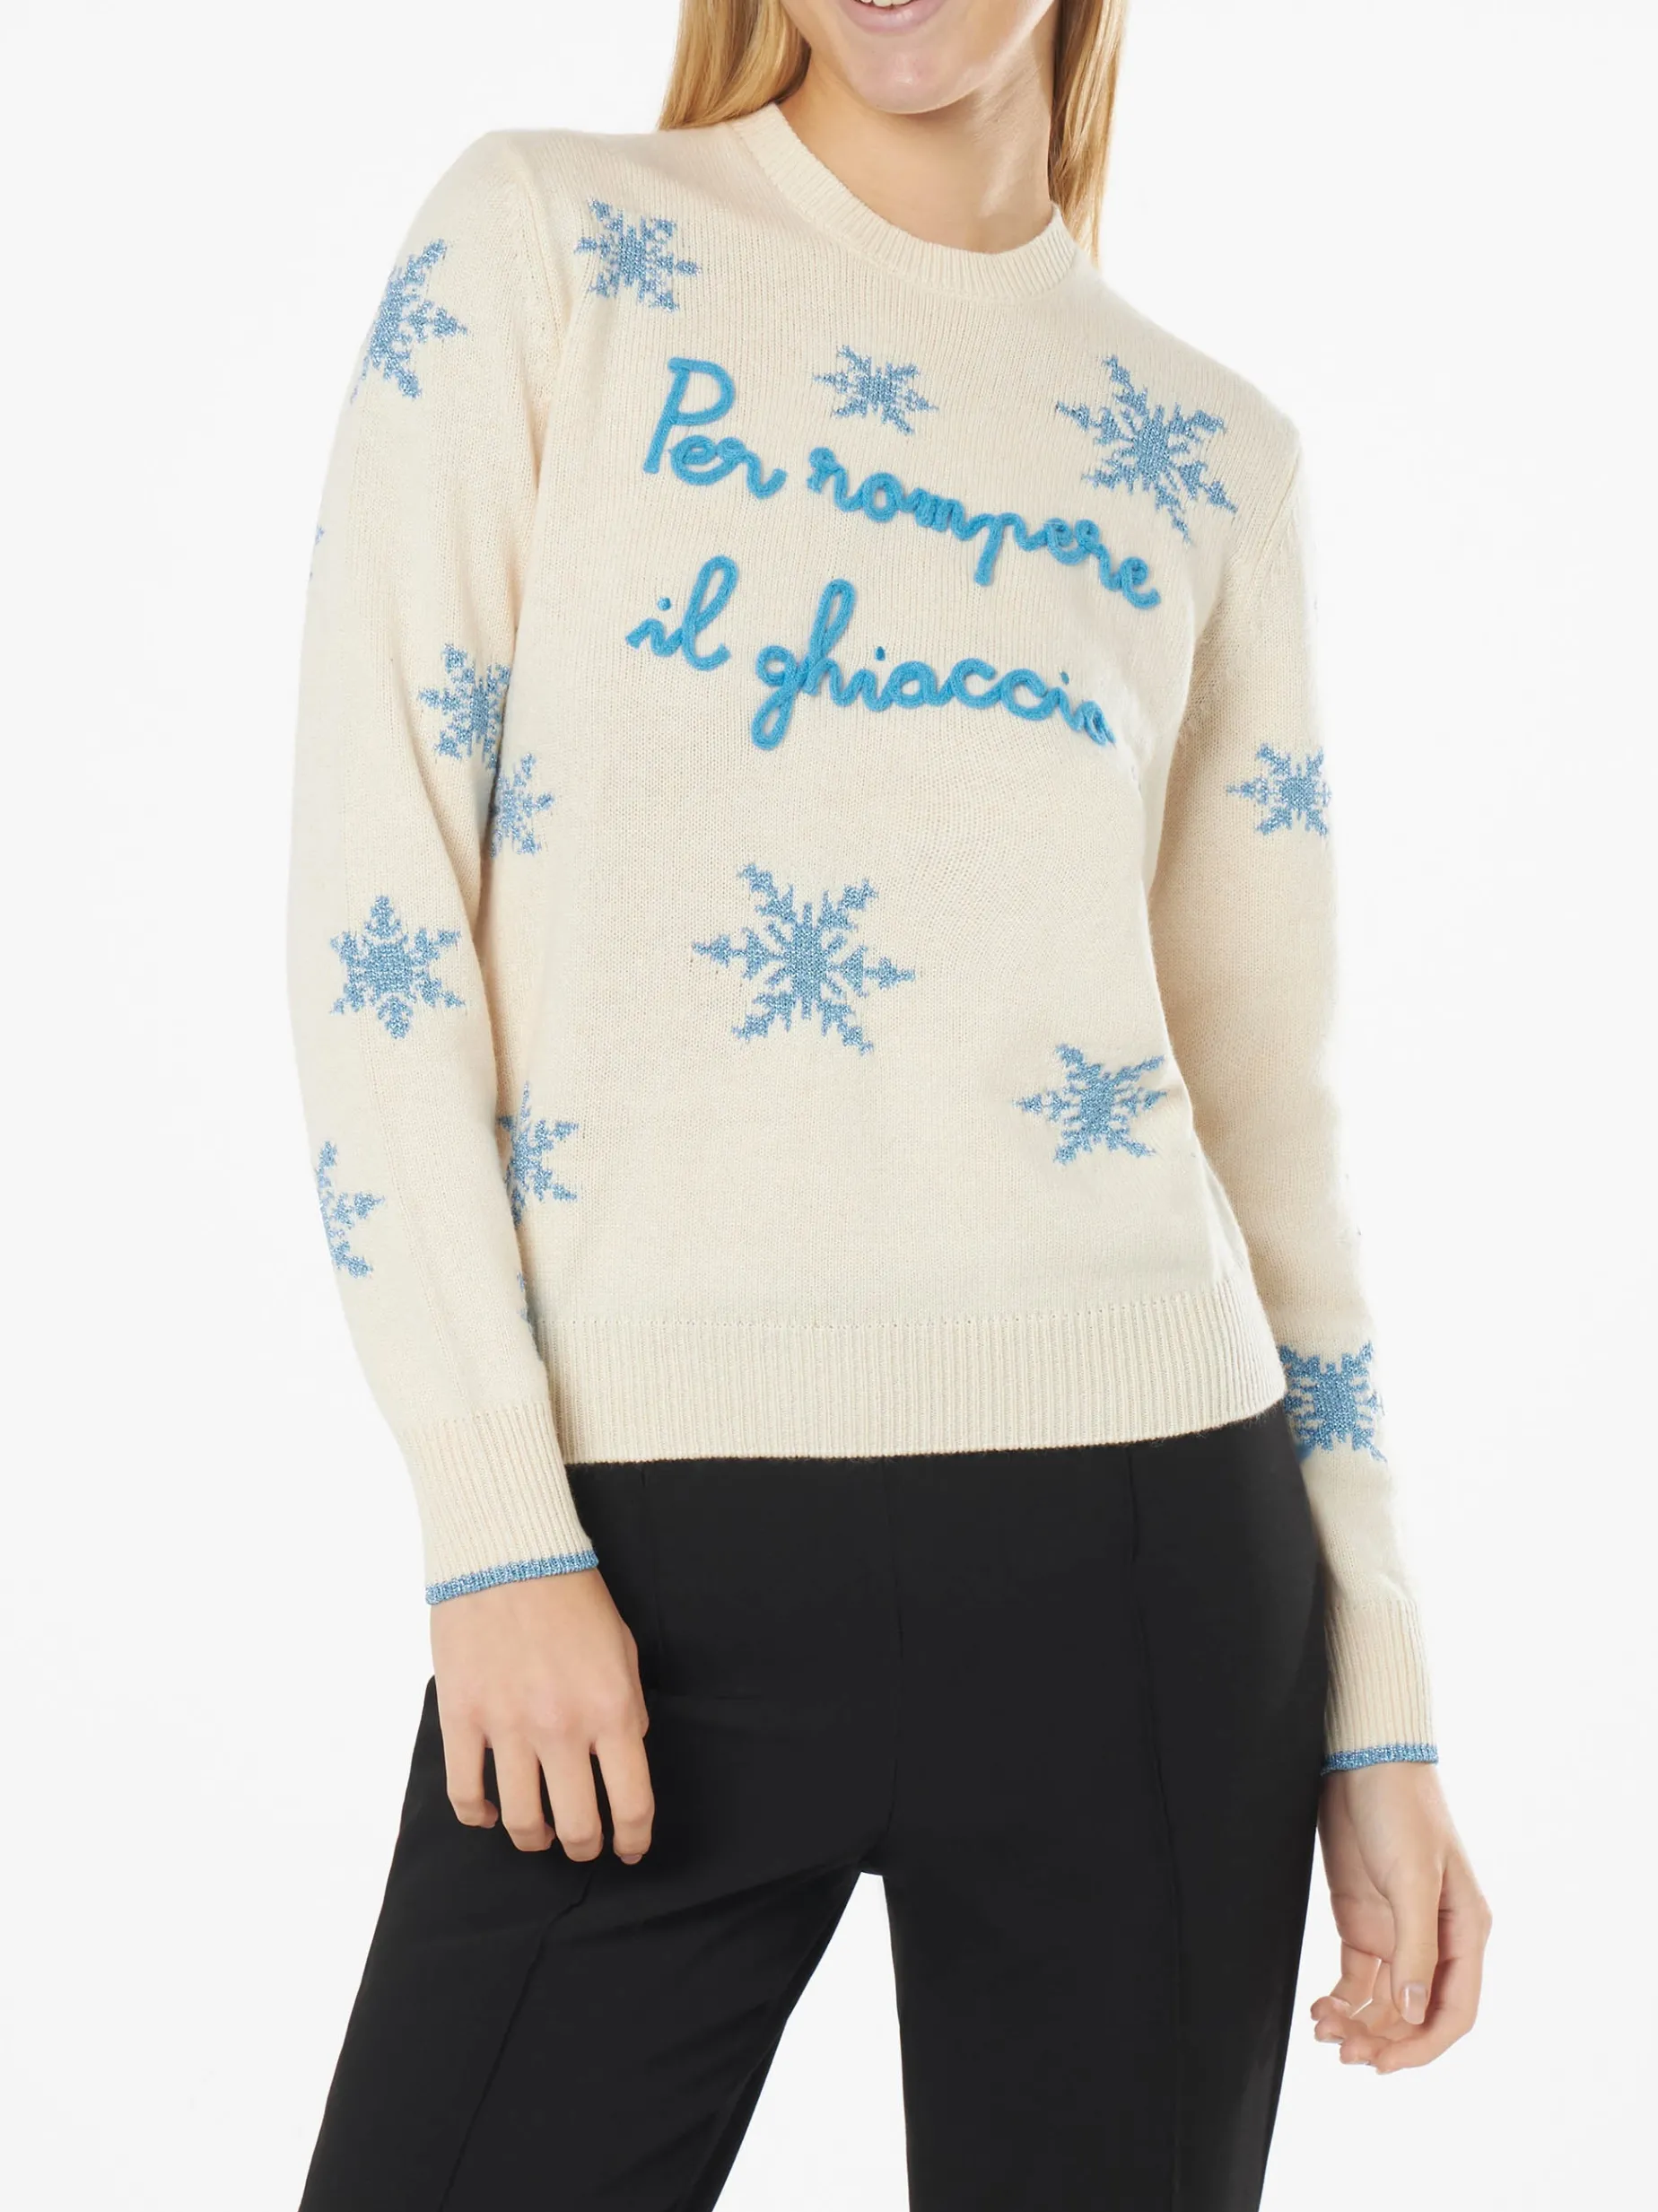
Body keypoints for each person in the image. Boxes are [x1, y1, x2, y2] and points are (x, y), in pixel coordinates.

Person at [288, 2, 1490, 2205]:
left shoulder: (1209, 455)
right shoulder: (553, 248)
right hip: (633, 1566)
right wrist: (492, 1518)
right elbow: (380, 919)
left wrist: (1379, 1690)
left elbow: (1269, 1124)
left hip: (1148, 1564)